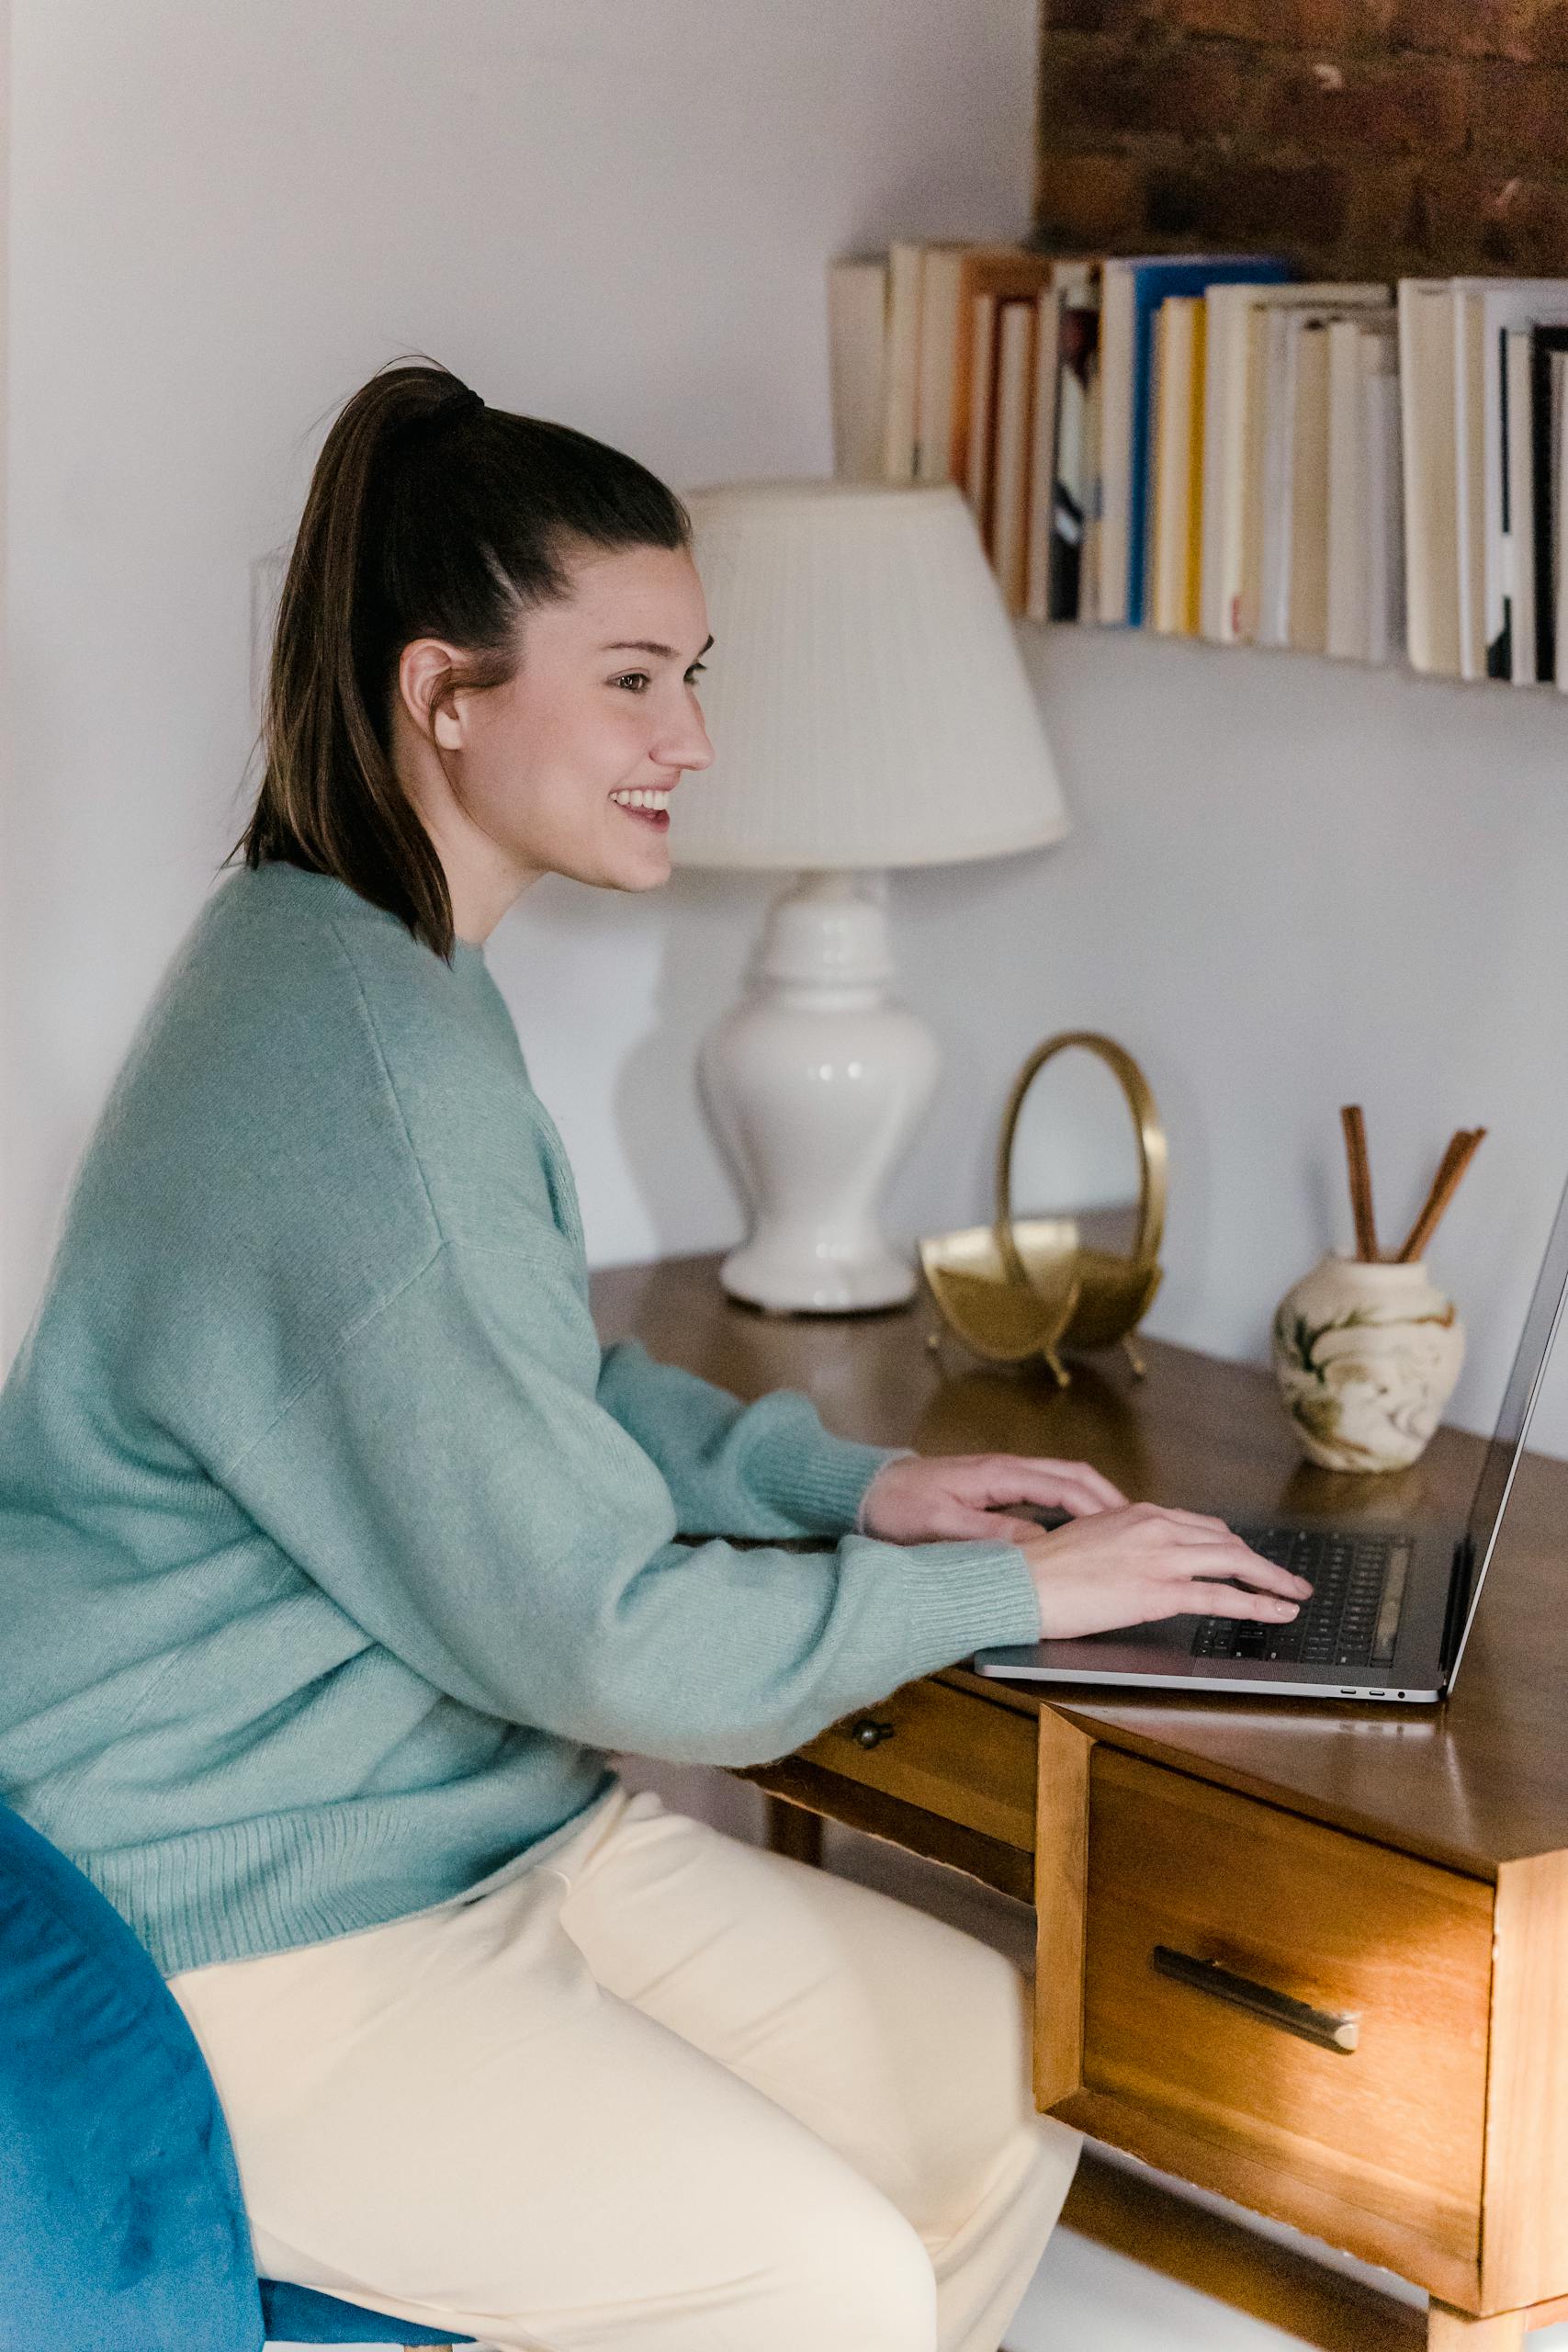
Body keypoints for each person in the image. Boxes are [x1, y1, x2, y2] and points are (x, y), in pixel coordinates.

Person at [0, 361, 1307, 2352]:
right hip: (245, 1905)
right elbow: (606, 1639)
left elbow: (522, 1388)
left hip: (460, 1813)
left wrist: (848, 1483)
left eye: (690, 673)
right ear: (445, 695)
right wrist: (1006, 1585)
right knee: (816, 2276)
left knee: (1001, 2065)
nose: (690, 737)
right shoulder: (350, 1066)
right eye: (629, 679)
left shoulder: (371, 955)